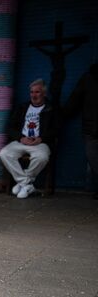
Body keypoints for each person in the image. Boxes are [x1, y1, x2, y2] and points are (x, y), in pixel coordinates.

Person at [0, 79, 58, 198]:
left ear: (44, 93)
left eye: (37, 92)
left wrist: (41, 139)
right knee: (4, 153)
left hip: (40, 142)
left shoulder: (51, 108)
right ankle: (26, 184)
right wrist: (21, 138)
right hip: (22, 141)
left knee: (42, 157)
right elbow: (10, 127)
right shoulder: (22, 107)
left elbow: (57, 129)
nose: (34, 95)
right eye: (32, 92)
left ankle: (22, 184)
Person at [62, 63, 98, 199]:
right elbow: (74, 101)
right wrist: (60, 115)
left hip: (91, 129)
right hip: (92, 130)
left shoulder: (88, 78)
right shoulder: (89, 78)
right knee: (94, 160)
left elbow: (74, 100)